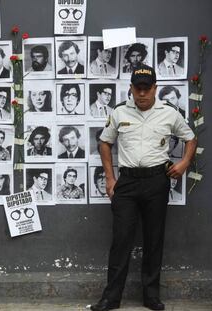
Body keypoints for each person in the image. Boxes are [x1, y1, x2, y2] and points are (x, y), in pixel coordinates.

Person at [91, 65, 196, 311]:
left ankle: (151, 296)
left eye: (146, 89)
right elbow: (105, 143)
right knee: (121, 241)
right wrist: (109, 177)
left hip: (156, 181)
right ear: (131, 89)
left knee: (154, 240)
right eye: (137, 89)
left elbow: (190, 138)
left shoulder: (169, 114)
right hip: (126, 183)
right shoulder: (119, 112)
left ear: (155, 89)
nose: (141, 94)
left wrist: (184, 163)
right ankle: (111, 298)